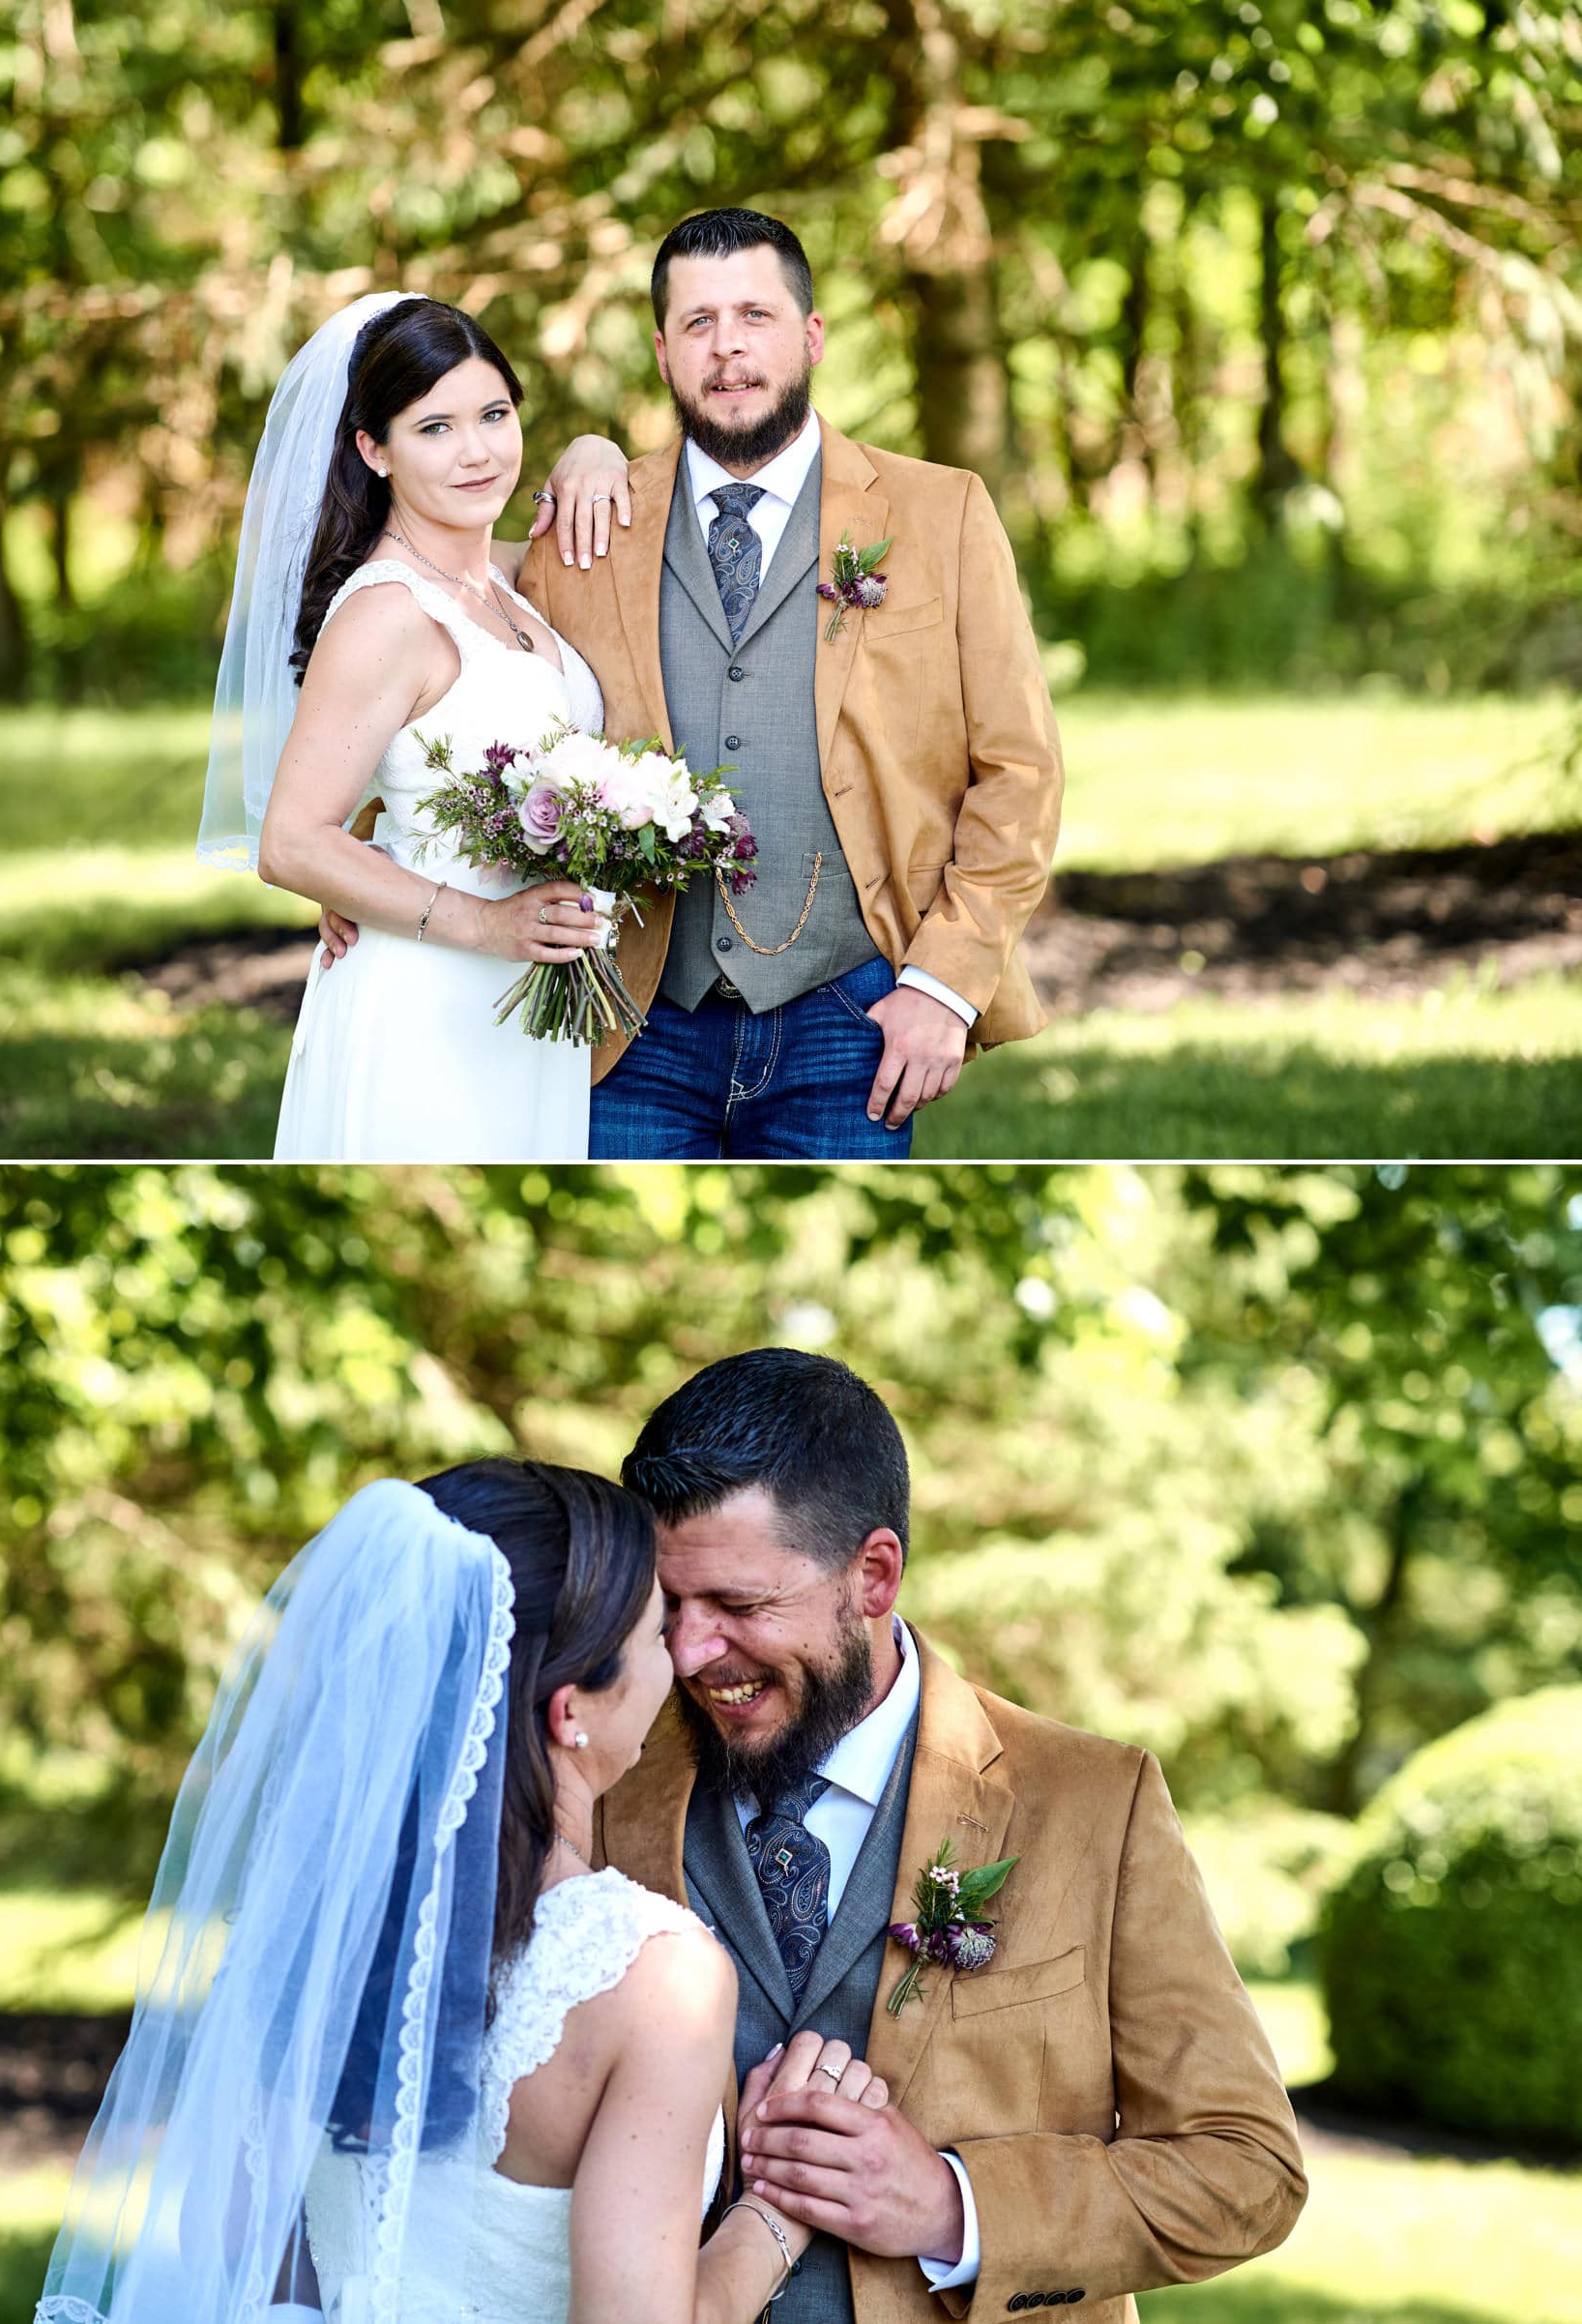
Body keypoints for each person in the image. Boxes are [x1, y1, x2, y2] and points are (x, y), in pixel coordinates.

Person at [34, 1461, 893, 2324]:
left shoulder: (311, 1926)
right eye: (654, 1634)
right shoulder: (650, 1976)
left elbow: (242, 2258)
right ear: (570, 1711)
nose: (681, 1660)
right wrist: (775, 2215)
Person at [604, 1351, 1308, 2322]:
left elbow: (1247, 2168)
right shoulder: (605, 1792)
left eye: (739, 1605)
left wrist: (950, 2205)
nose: (690, 1653)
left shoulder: (1092, 1802)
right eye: (669, 1605)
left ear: (874, 1576)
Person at [514, 208, 1066, 1159]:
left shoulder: (943, 513)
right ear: (661, 352)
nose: (727, 349)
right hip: (631, 1030)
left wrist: (943, 987)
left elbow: (1020, 771)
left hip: (851, 1018)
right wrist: (367, 871)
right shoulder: (586, 530)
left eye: (755, 316)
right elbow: (449, 656)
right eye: (697, 323)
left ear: (811, 335)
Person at [196, 293, 629, 1161]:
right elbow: (289, 841)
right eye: (435, 429)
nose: (476, 452)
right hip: (430, 997)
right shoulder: (387, 613)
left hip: (526, 1003)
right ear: (374, 449)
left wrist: (596, 448)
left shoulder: (502, 577)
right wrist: (485, 924)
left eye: (495, 414)